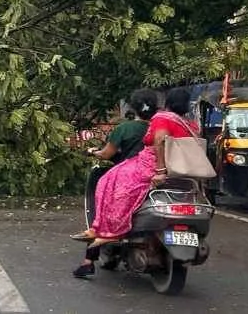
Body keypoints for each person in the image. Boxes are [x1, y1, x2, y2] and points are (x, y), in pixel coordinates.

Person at [71, 86, 199, 278]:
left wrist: (160, 171)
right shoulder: (190, 125)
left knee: (106, 187)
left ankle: (98, 244)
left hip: (146, 169)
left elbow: (157, 143)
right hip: (180, 172)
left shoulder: (151, 123)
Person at [85, 99, 152, 165]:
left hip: (128, 170)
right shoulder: (158, 128)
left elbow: (105, 155)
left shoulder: (123, 128)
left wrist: (92, 152)